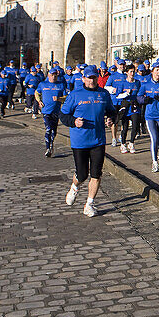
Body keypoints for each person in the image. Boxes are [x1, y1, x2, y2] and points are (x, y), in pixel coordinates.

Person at [59, 65, 114, 217]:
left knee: (96, 174)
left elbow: (111, 111)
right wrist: (74, 122)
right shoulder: (75, 94)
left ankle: (89, 204)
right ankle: (74, 188)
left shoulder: (103, 94)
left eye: (94, 77)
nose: (92, 80)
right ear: (83, 78)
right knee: (82, 174)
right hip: (80, 141)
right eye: (89, 77)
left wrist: (110, 119)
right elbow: (63, 115)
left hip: (98, 140)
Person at [139, 63, 159, 172]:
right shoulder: (145, 85)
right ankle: (155, 162)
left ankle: (157, 149)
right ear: (152, 71)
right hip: (150, 116)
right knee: (153, 138)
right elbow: (139, 97)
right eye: (156, 70)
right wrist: (144, 100)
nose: (158, 72)